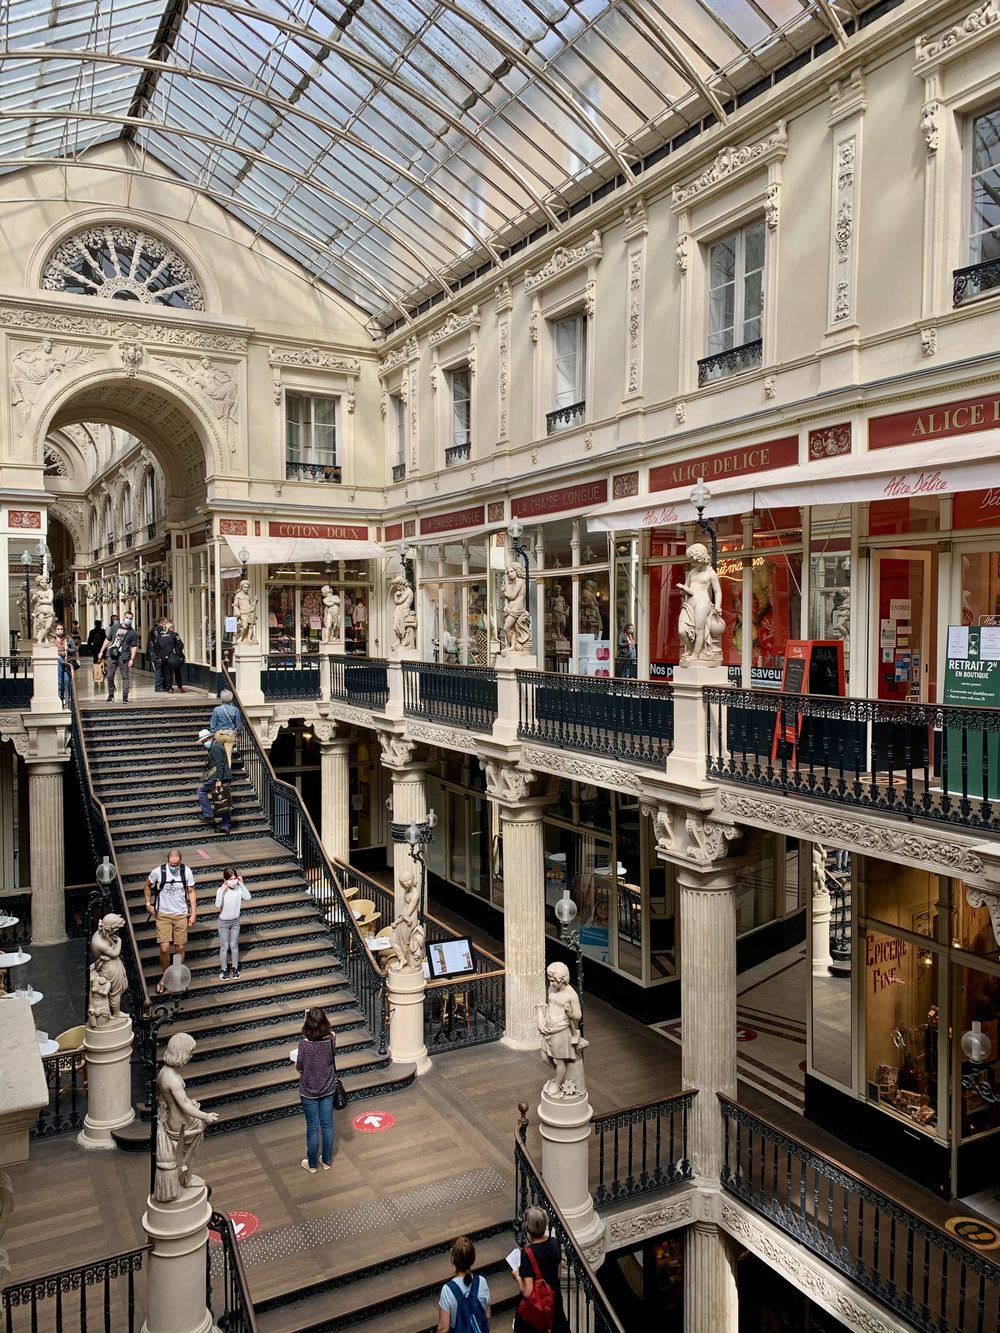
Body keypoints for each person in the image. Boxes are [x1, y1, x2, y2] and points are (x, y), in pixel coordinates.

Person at [143, 849, 197, 992]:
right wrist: (148, 904)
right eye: (171, 864)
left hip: (181, 914)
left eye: (176, 864)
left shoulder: (186, 872)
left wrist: (193, 913)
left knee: (179, 947)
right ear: (167, 860)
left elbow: (191, 891)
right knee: (164, 948)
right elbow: (147, 885)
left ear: (180, 860)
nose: (174, 867)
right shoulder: (158, 871)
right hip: (163, 915)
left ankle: (175, 974)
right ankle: (166, 975)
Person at [514, 1206, 569, 1333]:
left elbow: (528, 1291)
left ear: (528, 1228)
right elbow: (558, 1274)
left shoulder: (527, 1253)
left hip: (537, 1309)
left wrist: (517, 1276)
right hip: (553, 1304)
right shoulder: (555, 1243)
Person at [296, 1007, 337, 1173]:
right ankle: (326, 1161)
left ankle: (312, 1164)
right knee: (327, 1125)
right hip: (328, 1088)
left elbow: (299, 1068)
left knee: (312, 1127)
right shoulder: (331, 1039)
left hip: (308, 1091)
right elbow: (330, 1033)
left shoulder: (303, 1045)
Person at [437, 1236, 491, 1332]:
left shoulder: (447, 1290)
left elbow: (443, 1328)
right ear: (473, 1259)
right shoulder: (482, 1282)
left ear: (453, 1260)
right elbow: (487, 1316)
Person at [215, 865, 250, 981]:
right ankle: (224, 970)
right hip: (224, 923)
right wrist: (222, 890)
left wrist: (242, 884)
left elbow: (248, 897)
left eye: (234, 878)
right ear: (225, 880)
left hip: (235, 922)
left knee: (234, 945)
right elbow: (217, 905)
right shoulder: (221, 891)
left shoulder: (239, 889)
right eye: (230, 879)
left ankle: (235, 968)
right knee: (225, 946)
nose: (233, 881)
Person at [197, 728, 232, 834]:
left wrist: (218, 779)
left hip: (219, 776)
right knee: (224, 801)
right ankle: (224, 826)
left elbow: (220, 764)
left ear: (209, 738)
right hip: (222, 776)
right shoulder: (215, 745)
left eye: (203, 741)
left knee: (201, 791)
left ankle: (208, 814)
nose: (203, 743)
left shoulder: (215, 747)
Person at [98, 612, 138, 703]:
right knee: (110, 675)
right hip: (112, 655)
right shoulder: (115, 628)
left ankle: (125, 697)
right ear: (123, 617)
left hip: (124, 656)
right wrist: (101, 651)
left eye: (130, 618)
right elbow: (107, 639)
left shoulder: (133, 632)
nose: (128, 619)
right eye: (127, 617)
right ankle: (111, 694)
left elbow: (134, 646)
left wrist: (132, 658)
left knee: (125, 677)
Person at [209, 689, 242, 767]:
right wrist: (239, 735)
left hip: (219, 734)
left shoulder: (216, 710)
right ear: (231, 698)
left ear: (221, 698)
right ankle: (227, 775)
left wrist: (213, 735)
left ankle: (218, 772)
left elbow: (213, 725)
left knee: (217, 753)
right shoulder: (235, 710)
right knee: (228, 755)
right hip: (229, 735)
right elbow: (238, 726)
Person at [158, 622, 186, 693]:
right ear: (170, 628)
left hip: (164, 657)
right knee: (177, 672)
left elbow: (157, 646)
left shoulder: (160, 635)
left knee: (168, 673)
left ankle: (170, 688)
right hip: (174, 656)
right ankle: (180, 687)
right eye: (173, 627)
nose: (174, 629)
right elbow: (180, 646)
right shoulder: (175, 634)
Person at [54, 623, 77, 706]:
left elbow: (74, 649)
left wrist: (68, 649)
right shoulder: (52, 640)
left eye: (61, 629)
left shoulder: (68, 639)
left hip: (67, 662)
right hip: (57, 663)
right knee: (59, 681)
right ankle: (60, 698)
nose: (60, 631)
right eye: (58, 629)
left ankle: (69, 699)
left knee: (67, 680)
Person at [148, 616, 169, 691]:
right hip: (156, 654)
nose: (167, 623)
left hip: (155, 653)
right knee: (159, 669)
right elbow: (158, 642)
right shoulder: (158, 630)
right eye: (166, 622)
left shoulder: (154, 629)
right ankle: (158, 686)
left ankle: (162, 686)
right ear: (163, 622)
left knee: (161, 669)